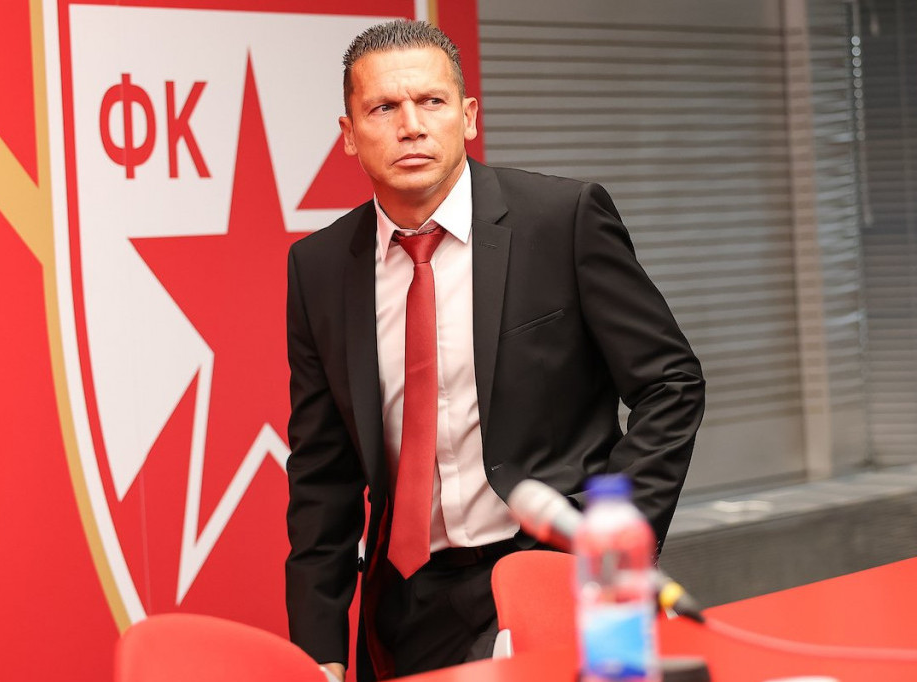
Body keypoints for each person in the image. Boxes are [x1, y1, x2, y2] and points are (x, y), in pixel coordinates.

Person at [284, 19, 704, 682]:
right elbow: (322, 474)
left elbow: (670, 383)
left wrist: (607, 542)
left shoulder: (561, 220)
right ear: (349, 134)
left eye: (431, 101)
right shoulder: (319, 268)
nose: (411, 126)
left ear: (468, 116)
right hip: (409, 603)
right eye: (383, 108)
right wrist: (320, 653)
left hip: (548, 572)